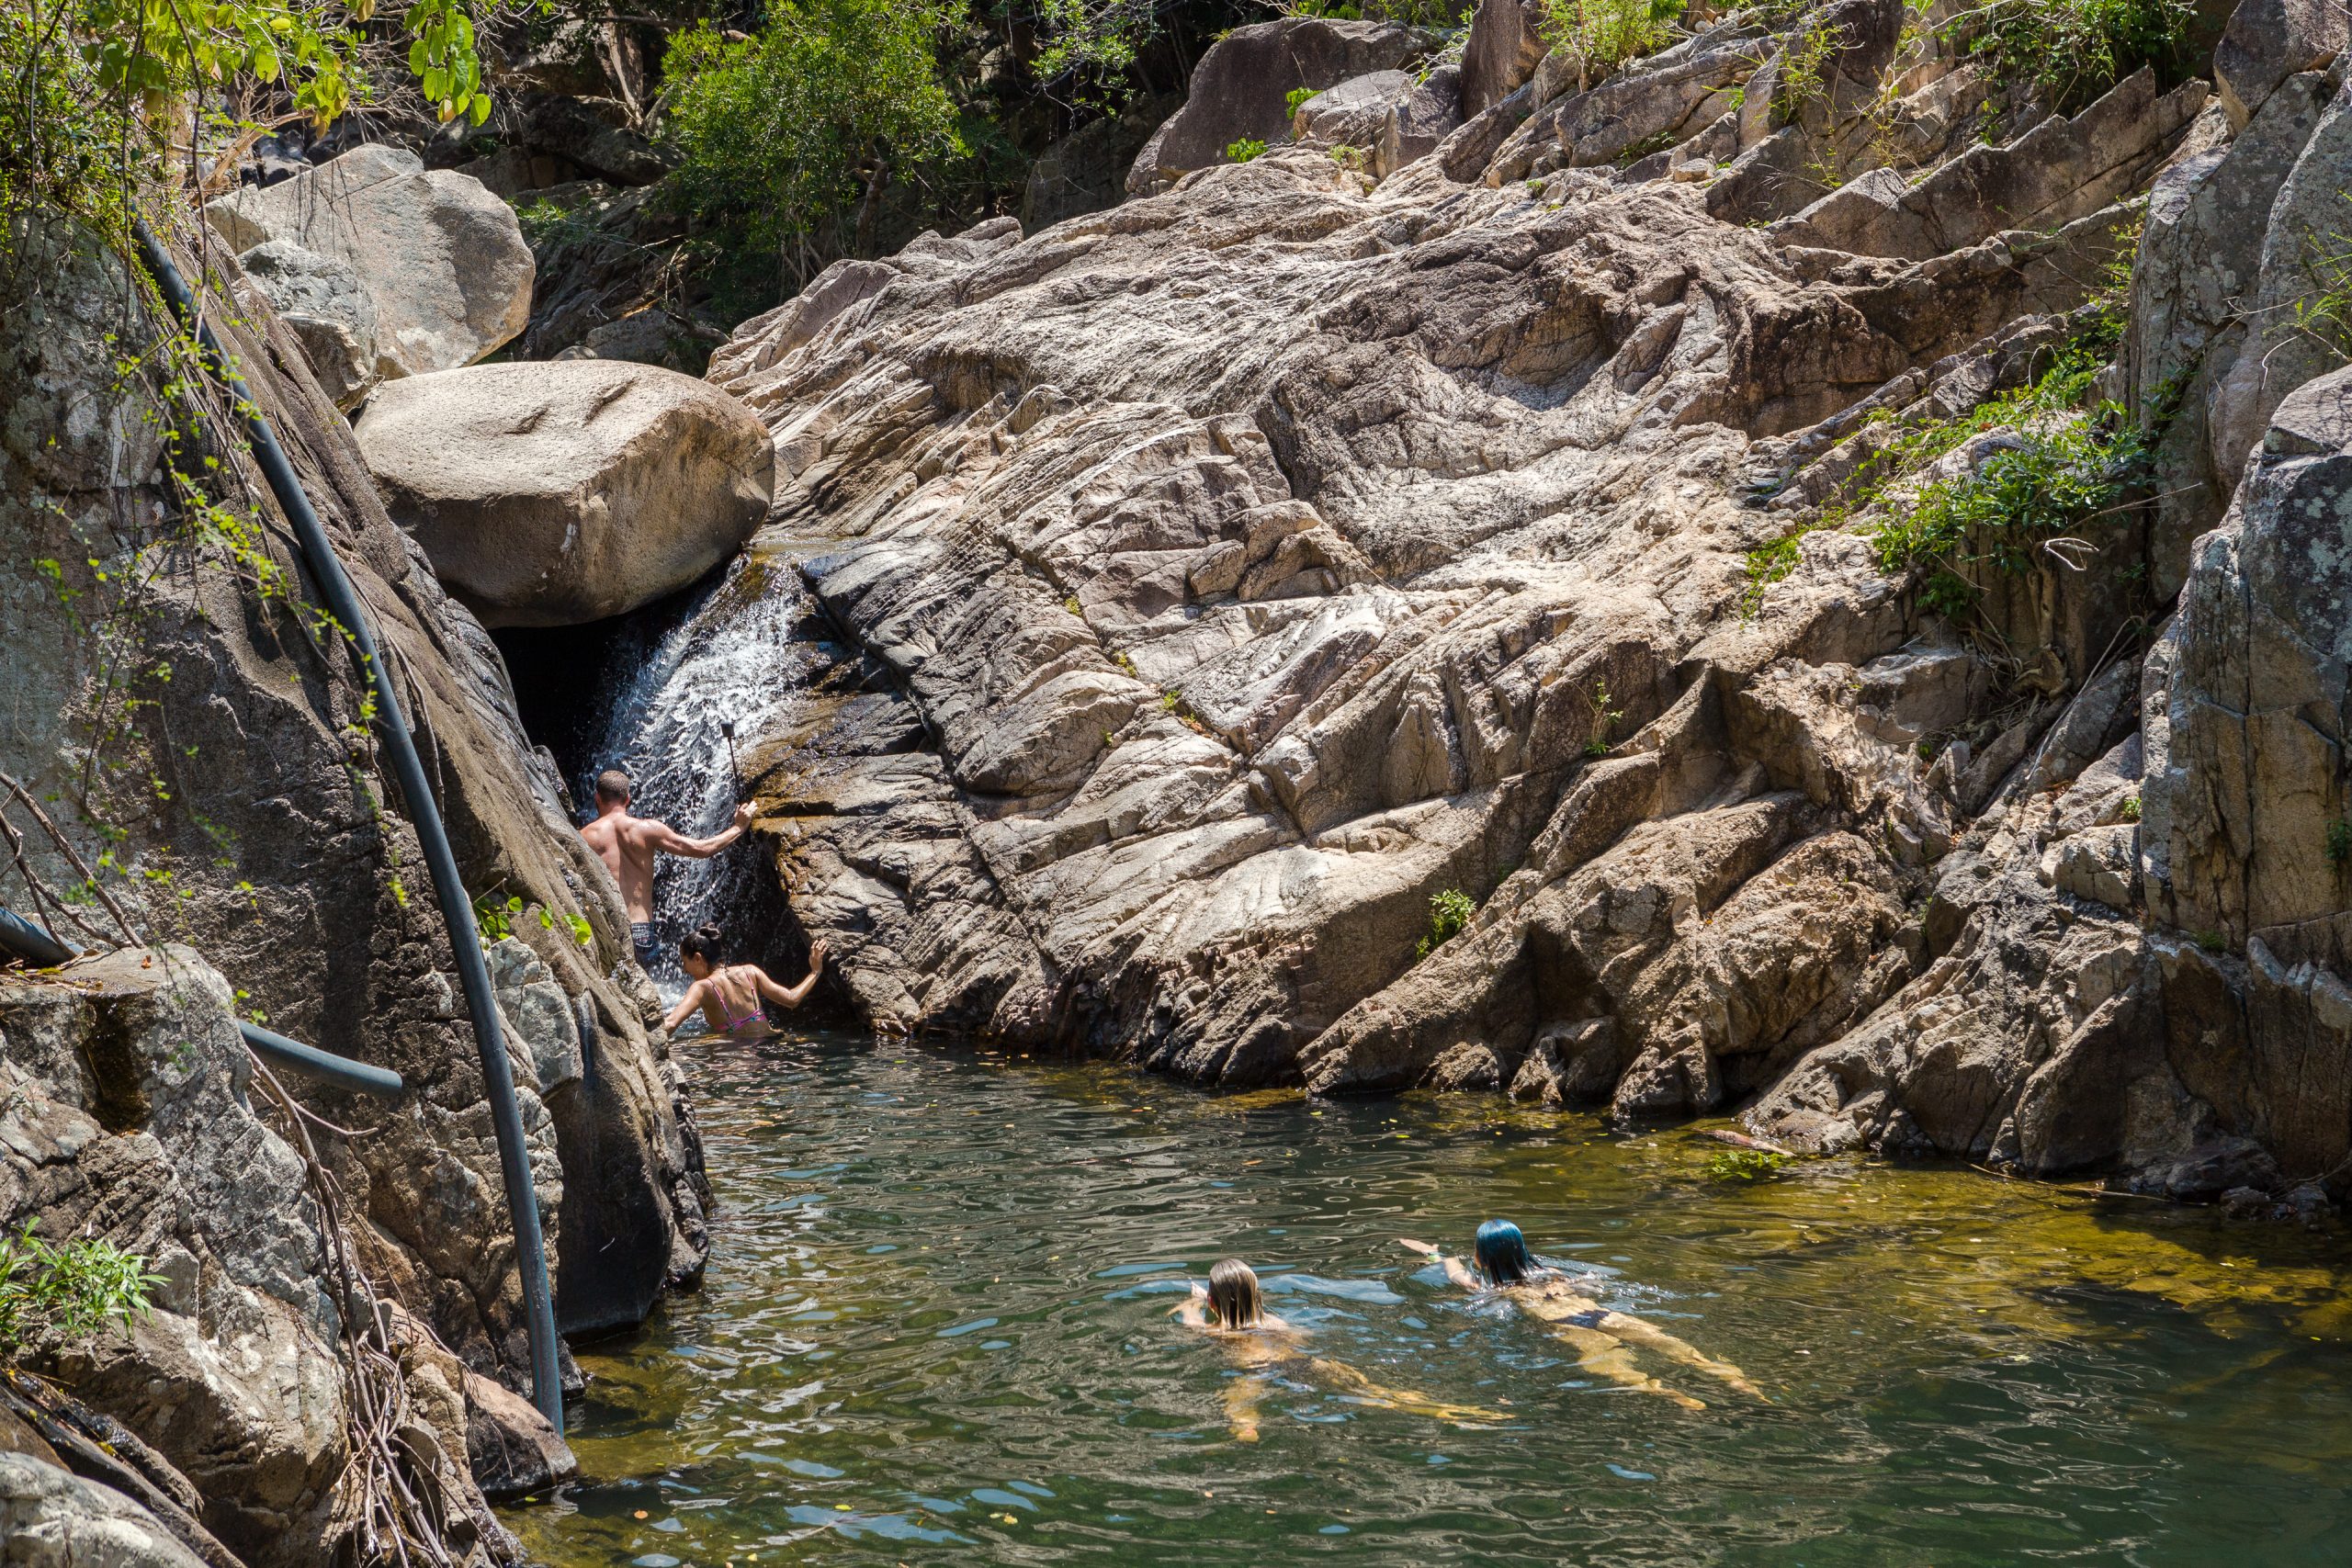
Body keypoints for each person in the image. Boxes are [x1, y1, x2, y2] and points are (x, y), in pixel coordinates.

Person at [1400, 1221, 1761, 1411]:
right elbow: (1590, 1284)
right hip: (1602, 1313)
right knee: (1678, 1348)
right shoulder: (1553, 1273)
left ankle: (1674, 1396)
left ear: (1481, 1258)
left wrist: (1433, 1254)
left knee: (1621, 1370)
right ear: (1521, 1247)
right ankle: (1740, 1384)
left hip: (1569, 1327)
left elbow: (1452, 1270)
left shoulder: (1489, 1288)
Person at [1173, 1258, 1501, 1442]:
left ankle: (1247, 1427)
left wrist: (1193, 1301)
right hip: (1304, 1363)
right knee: (1376, 1392)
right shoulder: (1275, 1322)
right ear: (1256, 1295)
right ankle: (1444, 1409)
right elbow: (1303, 1337)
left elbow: (1189, 1318)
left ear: (1213, 1302)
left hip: (1256, 1370)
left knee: (1239, 1401)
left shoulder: (1218, 1331)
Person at [578, 768, 752, 970]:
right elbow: (701, 849)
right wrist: (738, 827)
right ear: (628, 798)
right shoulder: (646, 829)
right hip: (641, 930)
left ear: (597, 797)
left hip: (607, 925)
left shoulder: (583, 836)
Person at [660, 924, 828, 1040]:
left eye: (684, 962)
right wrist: (815, 971)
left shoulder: (702, 988)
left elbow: (671, 1023)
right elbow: (792, 999)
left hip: (734, 1061)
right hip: (768, 1046)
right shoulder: (750, 971)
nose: (684, 970)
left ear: (697, 958)